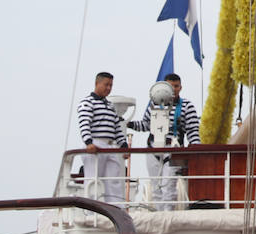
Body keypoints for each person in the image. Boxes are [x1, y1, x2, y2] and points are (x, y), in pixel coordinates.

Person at [127, 74, 201, 209]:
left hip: (173, 149)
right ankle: (160, 215)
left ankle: (168, 216)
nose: (173, 90)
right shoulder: (154, 104)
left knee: (169, 186)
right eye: (170, 87)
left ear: (181, 87)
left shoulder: (186, 106)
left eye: (176, 86)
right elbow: (146, 125)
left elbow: (193, 130)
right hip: (153, 148)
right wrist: (129, 124)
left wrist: (195, 149)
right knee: (155, 187)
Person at [77, 71, 128, 204]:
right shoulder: (87, 102)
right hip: (95, 143)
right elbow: (84, 123)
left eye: (111, 85)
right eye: (106, 85)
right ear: (97, 84)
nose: (108, 88)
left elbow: (116, 127)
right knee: (93, 179)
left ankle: (116, 208)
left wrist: (123, 145)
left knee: (113, 181)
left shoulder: (110, 106)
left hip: (110, 145)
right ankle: (90, 212)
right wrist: (88, 142)